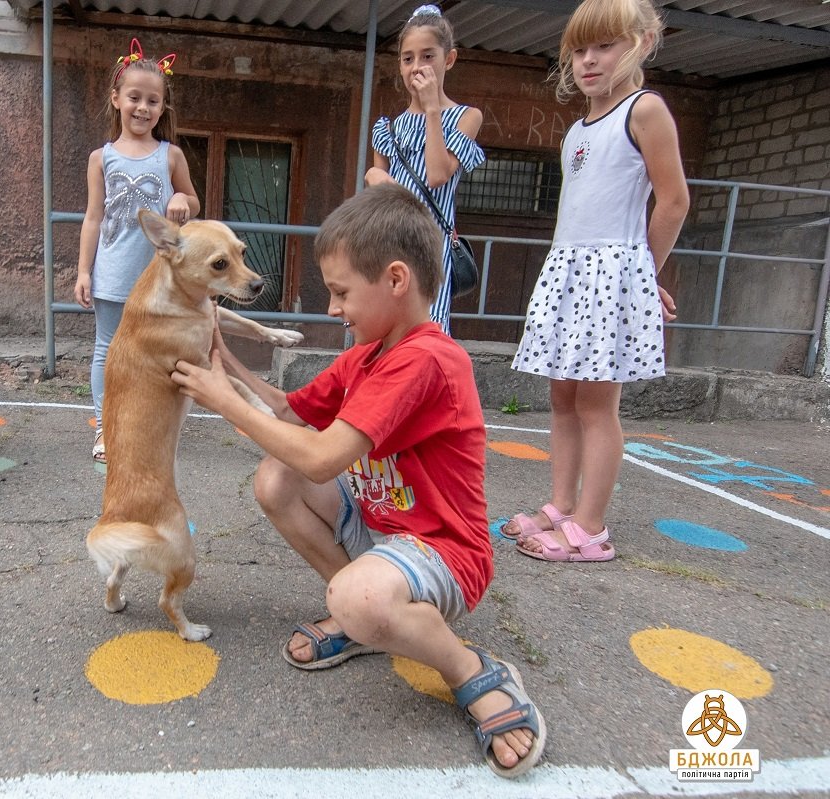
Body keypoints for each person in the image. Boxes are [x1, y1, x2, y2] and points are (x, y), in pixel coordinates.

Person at [171, 184, 545, 779]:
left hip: (444, 554)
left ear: (396, 279)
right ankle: (366, 620)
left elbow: (323, 459)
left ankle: (467, 669)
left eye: (341, 292)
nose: (332, 309)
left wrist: (225, 402)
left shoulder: (427, 359)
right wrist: (222, 361)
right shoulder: (367, 355)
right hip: (385, 532)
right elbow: (288, 413)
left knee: (353, 590)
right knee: (275, 480)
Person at [502, 0, 689, 562]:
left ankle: (592, 527)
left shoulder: (644, 110)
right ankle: (561, 505)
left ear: (644, 41)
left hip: (611, 275)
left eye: (604, 46)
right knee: (562, 397)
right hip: (571, 269)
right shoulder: (579, 128)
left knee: (596, 405)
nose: (588, 61)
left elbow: (673, 202)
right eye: (579, 50)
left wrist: (639, 275)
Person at [74, 37, 201, 466]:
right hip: (111, 274)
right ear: (117, 99)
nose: (143, 108)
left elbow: (193, 201)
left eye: (153, 100)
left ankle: (151, 426)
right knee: (107, 350)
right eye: (134, 98)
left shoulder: (171, 156)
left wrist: (182, 202)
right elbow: (93, 218)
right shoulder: (101, 158)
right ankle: (106, 430)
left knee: (158, 352)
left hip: (159, 278)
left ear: (162, 108)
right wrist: (83, 271)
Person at [365, 3, 484, 335]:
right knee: (383, 335)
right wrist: (376, 180)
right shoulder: (387, 129)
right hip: (389, 245)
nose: (417, 67)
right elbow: (380, 205)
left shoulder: (466, 117)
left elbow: (437, 174)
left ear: (449, 59)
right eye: (408, 58)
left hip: (431, 250)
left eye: (427, 56)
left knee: (425, 337)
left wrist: (432, 108)